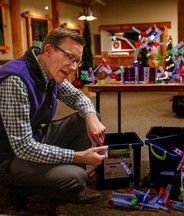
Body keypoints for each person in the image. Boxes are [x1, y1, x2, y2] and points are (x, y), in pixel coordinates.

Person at [0, 27, 108, 206]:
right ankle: (15, 189)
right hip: (7, 156)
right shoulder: (15, 81)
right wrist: (78, 156)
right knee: (76, 177)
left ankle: (58, 178)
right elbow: (24, 148)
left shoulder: (47, 69)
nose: (73, 67)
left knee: (89, 116)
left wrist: (90, 116)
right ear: (49, 50)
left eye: (77, 61)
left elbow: (77, 96)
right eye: (69, 57)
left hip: (34, 139)